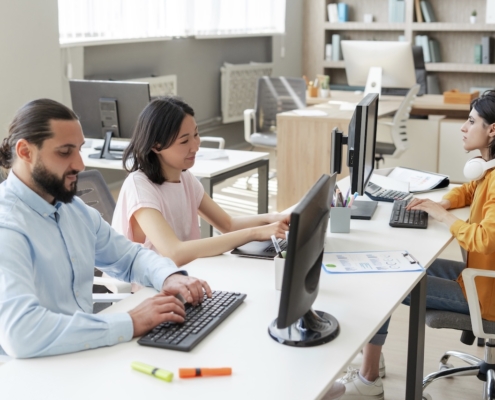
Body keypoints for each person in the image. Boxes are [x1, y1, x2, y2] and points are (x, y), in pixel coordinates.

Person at [0, 99, 211, 358]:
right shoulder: (7, 227)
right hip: (29, 372)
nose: (80, 164)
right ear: (25, 152)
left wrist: (170, 277)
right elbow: (22, 332)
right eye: (65, 152)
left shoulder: (73, 210)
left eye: (80, 150)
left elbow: (130, 257)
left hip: (83, 354)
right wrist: (131, 321)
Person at [338, 89, 495, 399]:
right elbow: (466, 191)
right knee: (398, 261)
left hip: (485, 295)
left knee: (389, 276)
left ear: (492, 130)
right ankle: (374, 358)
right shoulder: (487, 170)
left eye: (470, 121)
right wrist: (444, 203)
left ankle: (369, 378)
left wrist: (439, 214)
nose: (463, 128)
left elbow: (484, 239)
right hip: (477, 279)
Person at [112, 97, 290, 267]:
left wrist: (273, 219)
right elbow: (174, 253)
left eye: (196, 135)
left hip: (187, 276)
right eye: (184, 141)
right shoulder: (139, 186)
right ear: (156, 146)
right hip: (151, 287)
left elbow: (228, 225)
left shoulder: (184, 177)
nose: (196, 146)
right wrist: (256, 233)